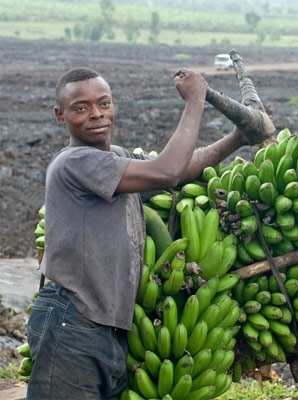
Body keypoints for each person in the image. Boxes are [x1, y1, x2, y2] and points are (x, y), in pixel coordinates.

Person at [26, 66, 259, 399]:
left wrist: (238, 137)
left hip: (105, 329)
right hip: (72, 319)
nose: (96, 114)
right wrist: (195, 101)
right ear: (61, 117)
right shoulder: (74, 163)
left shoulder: (117, 159)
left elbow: (180, 171)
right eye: (81, 108)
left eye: (103, 103)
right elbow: (166, 171)